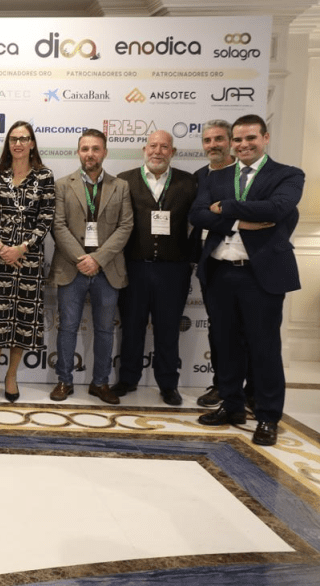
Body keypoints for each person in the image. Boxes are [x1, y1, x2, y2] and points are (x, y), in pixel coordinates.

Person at [192, 114, 303, 446]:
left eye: (250, 138)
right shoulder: (217, 175)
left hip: (260, 275)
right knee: (225, 345)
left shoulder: (288, 175)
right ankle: (232, 406)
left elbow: (277, 209)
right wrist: (239, 222)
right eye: (238, 139)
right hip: (219, 272)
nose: (243, 145)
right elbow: (197, 214)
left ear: (265, 138)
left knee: (264, 348)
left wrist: (225, 207)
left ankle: (268, 416)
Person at [111, 131, 197, 405]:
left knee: (168, 330)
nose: (157, 151)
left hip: (174, 271)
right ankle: (127, 379)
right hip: (134, 268)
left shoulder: (188, 182)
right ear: (144, 149)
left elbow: (198, 223)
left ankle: (168, 384)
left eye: (164, 147)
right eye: (153, 146)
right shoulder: (124, 180)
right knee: (132, 327)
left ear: (173, 152)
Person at [49, 128, 133, 404]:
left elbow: (125, 226)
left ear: (104, 152)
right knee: (68, 328)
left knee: (105, 330)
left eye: (96, 149)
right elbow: (58, 226)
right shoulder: (62, 185)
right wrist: (81, 259)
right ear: (78, 152)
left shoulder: (120, 186)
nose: (90, 154)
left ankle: (100, 383)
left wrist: (97, 258)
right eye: (85, 149)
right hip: (71, 267)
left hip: (107, 269)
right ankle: (64, 380)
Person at [0, 121, 55, 403]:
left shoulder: (44, 176)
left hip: (28, 259)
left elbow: (47, 217)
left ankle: (11, 375)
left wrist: (22, 248)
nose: (18, 144)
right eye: (13, 139)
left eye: (23, 139)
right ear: (8, 143)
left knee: (22, 320)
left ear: (32, 143)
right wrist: (0, 246)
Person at [191, 120, 249, 409]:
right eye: (207, 140)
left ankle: (251, 389)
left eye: (218, 139)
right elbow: (197, 216)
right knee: (219, 330)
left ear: (230, 142)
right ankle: (222, 385)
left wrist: (221, 215)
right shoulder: (199, 176)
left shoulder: (246, 176)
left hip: (248, 264)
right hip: (211, 263)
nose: (212, 145)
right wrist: (233, 219)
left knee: (250, 331)